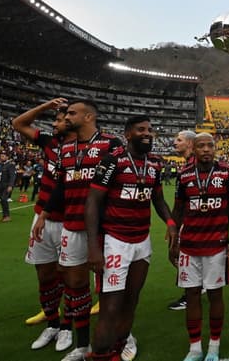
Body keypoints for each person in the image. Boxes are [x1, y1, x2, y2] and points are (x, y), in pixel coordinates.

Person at [35, 99, 123, 361]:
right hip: (71, 225)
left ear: (88, 117)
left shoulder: (111, 144)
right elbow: (61, 186)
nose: (66, 116)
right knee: (75, 285)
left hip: (104, 228)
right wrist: (45, 214)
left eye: (72, 113)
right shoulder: (65, 148)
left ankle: (122, 336)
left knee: (110, 288)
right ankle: (82, 345)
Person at [85, 115, 177, 361]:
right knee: (110, 306)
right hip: (115, 241)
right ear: (127, 134)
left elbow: (157, 199)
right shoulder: (112, 161)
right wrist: (94, 247)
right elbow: (93, 201)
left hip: (142, 242)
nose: (147, 133)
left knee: (131, 300)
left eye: (150, 129)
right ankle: (101, 354)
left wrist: (170, 222)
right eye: (141, 129)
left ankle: (120, 345)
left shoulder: (155, 164)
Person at [169, 132, 229, 361]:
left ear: (214, 148)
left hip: (216, 247)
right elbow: (179, 209)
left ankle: (214, 345)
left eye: (209, 146)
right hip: (189, 246)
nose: (205, 150)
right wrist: (173, 240)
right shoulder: (184, 175)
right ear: (194, 148)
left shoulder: (227, 172)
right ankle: (195, 348)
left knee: (214, 295)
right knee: (192, 294)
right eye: (200, 146)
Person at [13, 97, 76, 351]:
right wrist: (46, 106)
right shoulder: (49, 142)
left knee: (71, 279)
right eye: (56, 119)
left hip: (69, 223)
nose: (55, 123)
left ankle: (67, 328)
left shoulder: (85, 149)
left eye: (59, 119)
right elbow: (18, 123)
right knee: (45, 275)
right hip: (41, 219)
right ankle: (52, 324)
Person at [168, 130, 197, 311]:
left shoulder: (192, 168)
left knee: (177, 255)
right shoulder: (188, 166)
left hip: (191, 222)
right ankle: (194, 289)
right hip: (187, 220)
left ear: (189, 144)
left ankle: (190, 293)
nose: (174, 143)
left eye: (179, 140)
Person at [0, 151, 16, 223]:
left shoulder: (10, 165)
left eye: (3, 156)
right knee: (2, 200)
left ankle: (7, 216)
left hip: (7, 186)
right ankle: (4, 216)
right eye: (1, 156)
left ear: (7, 157)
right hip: (1, 186)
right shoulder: (2, 165)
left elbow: (12, 176)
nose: (1, 157)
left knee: (3, 199)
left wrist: (10, 185)